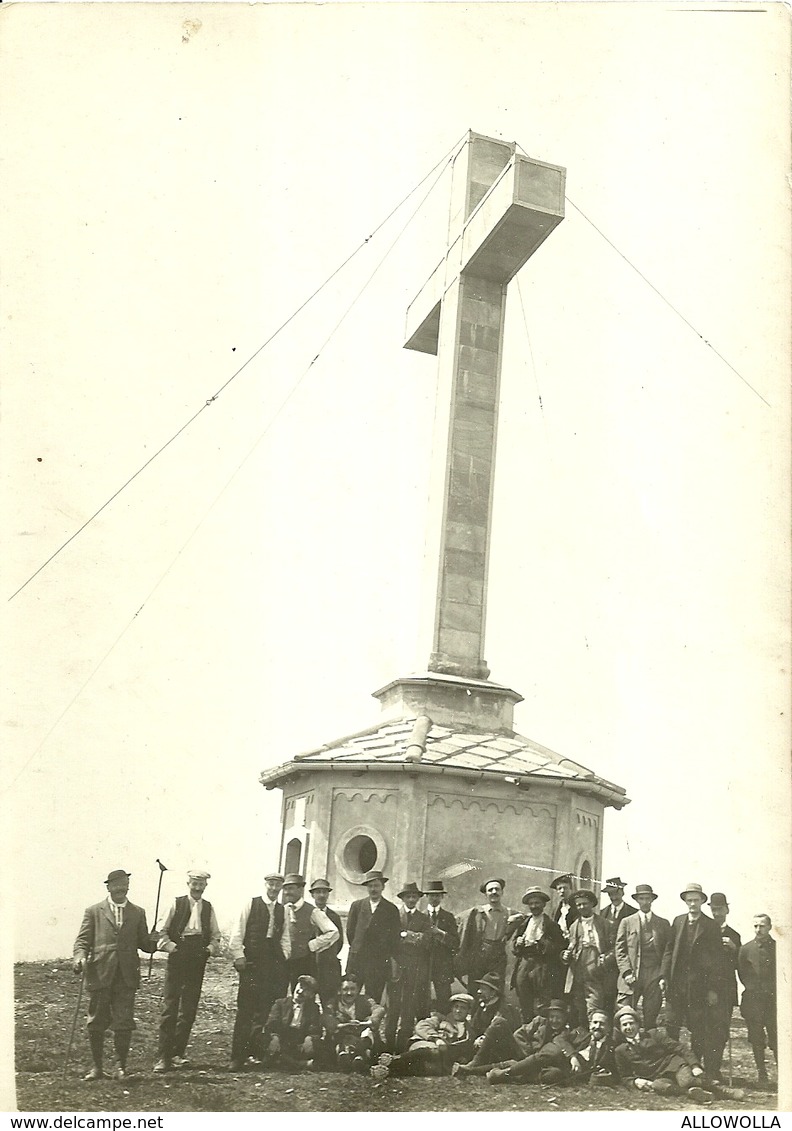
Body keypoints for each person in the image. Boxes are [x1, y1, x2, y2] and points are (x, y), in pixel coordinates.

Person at [72, 868, 157, 1081]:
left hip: (126, 975)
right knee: (97, 1020)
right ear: (108, 887)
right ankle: (97, 1068)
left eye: (125, 888)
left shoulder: (138, 912)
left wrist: (156, 940)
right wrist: (79, 957)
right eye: (117, 888)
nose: (121, 892)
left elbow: (145, 944)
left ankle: (121, 1067)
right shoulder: (93, 911)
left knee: (124, 1021)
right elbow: (82, 941)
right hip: (100, 972)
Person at [154, 868, 222, 1073]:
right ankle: (163, 1056)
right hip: (178, 953)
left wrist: (208, 950)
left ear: (206, 886)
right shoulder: (177, 903)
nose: (198, 887)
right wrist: (171, 947)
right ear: (188, 884)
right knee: (171, 1005)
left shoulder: (208, 908)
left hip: (197, 956)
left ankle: (177, 1053)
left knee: (189, 1006)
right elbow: (161, 929)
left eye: (201, 884)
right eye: (194, 883)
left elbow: (216, 934)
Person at [660, 882, 723, 1078]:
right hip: (677, 984)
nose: (693, 904)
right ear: (685, 902)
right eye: (689, 900)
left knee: (698, 1027)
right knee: (672, 1025)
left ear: (702, 901)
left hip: (699, 986)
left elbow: (717, 959)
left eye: (696, 900)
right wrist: (664, 976)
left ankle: (696, 1066)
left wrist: (713, 989)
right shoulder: (678, 921)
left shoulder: (710, 926)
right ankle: (673, 1066)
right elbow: (669, 950)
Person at [228, 871, 286, 1071]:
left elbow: (285, 937)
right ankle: (238, 1057)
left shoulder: (282, 910)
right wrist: (239, 956)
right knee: (246, 1010)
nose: (274, 889)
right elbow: (238, 932)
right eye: (271, 884)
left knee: (264, 1011)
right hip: (252, 964)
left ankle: (256, 1053)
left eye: (278, 885)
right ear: (265, 885)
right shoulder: (251, 904)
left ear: (281, 888)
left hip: (272, 966)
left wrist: (283, 957)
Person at [486, 1004, 615, 1086]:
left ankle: (510, 1072)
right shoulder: (580, 1033)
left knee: (554, 1075)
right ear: (590, 1024)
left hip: (565, 1070)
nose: (597, 1027)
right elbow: (559, 1039)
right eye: (595, 1023)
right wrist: (573, 1056)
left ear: (609, 1028)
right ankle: (505, 1073)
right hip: (556, 1055)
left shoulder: (610, 1047)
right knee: (554, 1051)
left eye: (602, 1024)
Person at [613, 1005, 713, 1103]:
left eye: (631, 1023)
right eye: (624, 1025)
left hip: (675, 1066)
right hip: (658, 1077)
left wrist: (695, 1066)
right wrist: (635, 1082)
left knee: (686, 1081)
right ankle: (692, 1093)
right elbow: (625, 1077)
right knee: (658, 1086)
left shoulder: (653, 1034)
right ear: (619, 1028)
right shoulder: (620, 1050)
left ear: (638, 1024)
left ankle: (717, 1088)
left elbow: (680, 1047)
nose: (629, 1027)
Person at [371, 993, 475, 1079]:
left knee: (430, 1068)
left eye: (463, 1008)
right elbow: (421, 1026)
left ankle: (388, 1071)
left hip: (441, 1058)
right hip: (423, 1046)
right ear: (451, 1008)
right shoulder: (441, 1018)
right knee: (434, 1051)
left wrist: (463, 1057)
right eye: (456, 1007)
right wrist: (436, 1039)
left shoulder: (469, 1031)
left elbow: (467, 1048)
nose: (458, 1011)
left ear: (468, 1011)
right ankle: (395, 1059)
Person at [614, 883, 670, 1030]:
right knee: (626, 1015)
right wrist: (626, 972)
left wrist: (663, 975)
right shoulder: (627, 922)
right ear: (637, 900)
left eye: (648, 898)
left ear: (652, 900)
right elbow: (620, 950)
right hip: (632, 974)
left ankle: (648, 1049)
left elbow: (667, 952)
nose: (645, 902)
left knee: (651, 1016)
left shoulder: (663, 923)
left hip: (653, 974)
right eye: (642, 898)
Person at [480, 998, 575, 1084]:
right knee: (499, 1023)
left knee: (554, 1074)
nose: (554, 1020)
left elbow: (561, 1045)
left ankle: (512, 1073)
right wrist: (526, 1052)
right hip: (525, 1056)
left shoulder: (566, 1032)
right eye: (552, 1016)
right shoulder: (539, 1022)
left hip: (541, 1065)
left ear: (565, 1018)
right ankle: (477, 1068)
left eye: (558, 1018)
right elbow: (519, 1034)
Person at [385, 882, 430, 1050]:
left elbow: (427, 940)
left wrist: (406, 934)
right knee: (393, 1005)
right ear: (403, 898)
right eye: (408, 896)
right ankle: (389, 1042)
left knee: (409, 1005)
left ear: (418, 899)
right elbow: (390, 938)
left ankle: (403, 1042)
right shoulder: (394, 915)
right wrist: (411, 937)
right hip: (396, 965)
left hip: (414, 967)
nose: (411, 900)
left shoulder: (424, 918)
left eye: (414, 897)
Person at [509, 887, 565, 1023]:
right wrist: (518, 942)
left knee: (543, 1002)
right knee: (524, 999)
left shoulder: (551, 925)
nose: (534, 906)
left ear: (543, 904)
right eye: (531, 903)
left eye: (537, 903)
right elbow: (513, 945)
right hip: (524, 963)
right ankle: (526, 1031)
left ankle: (541, 1032)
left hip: (542, 966)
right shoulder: (523, 924)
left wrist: (541, 944)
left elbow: (559, 946)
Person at [345, 869, 401, 1003]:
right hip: (357, 960)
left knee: (373, 998)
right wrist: (357, 949)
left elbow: (394, 937)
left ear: (383, 887)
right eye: (370, 886)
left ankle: (370, 1023)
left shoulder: (391, 909)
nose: (373, 889)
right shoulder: (357, 906)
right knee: (350, 994)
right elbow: (350, 932)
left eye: (376, 886)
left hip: (378, 962)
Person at [451, 972, 521, 1077]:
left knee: (498, 1022)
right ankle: (468, 1067)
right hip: (486, 1051)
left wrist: (484, 1037)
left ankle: (473, 1065)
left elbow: (507, 1033)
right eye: (480, 988)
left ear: (493, 992)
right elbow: (473, 1028)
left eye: (484, 989)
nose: (479, 991)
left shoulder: (504, 1009)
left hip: (504, 1050)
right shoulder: (482, 1006)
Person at [562, 889, 616, 1023]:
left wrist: (605, 959)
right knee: (579, 1007)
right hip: (578, 970)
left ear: (592, 904)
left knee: (595, 1005)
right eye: (578, 905)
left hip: (597, 971)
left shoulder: (605, 924)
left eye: (585, 904)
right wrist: (565, 955)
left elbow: (616, 948)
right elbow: (570, 948)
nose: (581, 907)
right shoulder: (574, 926)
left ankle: (597, 1037)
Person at [279, 873, 339, 992]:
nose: (287, 892)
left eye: (291, 888)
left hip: (303, 962)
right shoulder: (283, 909)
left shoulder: (312, 911)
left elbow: (333, 932)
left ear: (301, 890)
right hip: (283, 962)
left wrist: (312, 945)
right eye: (285, 889)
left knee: (303, 996)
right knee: (281, 996)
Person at [738, 914, 777, 1085]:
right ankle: (762, 1075)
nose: (758, 930)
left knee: (776, 1037)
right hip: (753, 1001)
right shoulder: (745, 949)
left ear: (769, 927)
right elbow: (742, 973)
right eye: (755, 926)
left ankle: (783, 1074)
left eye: (762, 926)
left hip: (773, 1001)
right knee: (756, 1038)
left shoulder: (778, 948)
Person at [706, 892, 741, 1082]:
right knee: (703, 1029)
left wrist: (735, 949)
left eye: (719, 909)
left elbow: (739, 965)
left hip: (725, 991)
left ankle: (714, 1069)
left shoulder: (734, 935)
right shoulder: (704, 930)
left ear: (727, 910)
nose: (716, 913)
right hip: (705, 989)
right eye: (713, 909)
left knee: (720, 1031)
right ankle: (701, 1069)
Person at [456, 878, 515, 987]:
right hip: (479, 955)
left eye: (497, 889)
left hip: (498, 957)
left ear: (502, 892)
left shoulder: (510, 912)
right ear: (485, 895)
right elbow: (457, 920)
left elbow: (527, 918)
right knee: (475, 987)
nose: (494, 892)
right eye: (490, 890)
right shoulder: (477, 912)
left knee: (496, 989)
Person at [324, 972, 385, 1071]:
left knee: (368, 1035)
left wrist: (369, 1021)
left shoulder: (364, 1000)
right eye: (345, 989)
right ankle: (354, 1057)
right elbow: (326, 1016)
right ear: (340, 990)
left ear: (358, 990)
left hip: (361, 1037)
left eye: (352, 989)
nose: (349, 993)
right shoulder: (334, 1002)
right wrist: (342, 1025)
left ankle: (356, 1058)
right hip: (343, 1036)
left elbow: (378, 1009)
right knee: (340, 1040)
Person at [263, 974, 323, 1070]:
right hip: (282, 1039)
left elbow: (315, 1028)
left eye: (306, 990)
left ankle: (282, 1061)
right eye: (300, 986)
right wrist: (275, 1037)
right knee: (265, 1041)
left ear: (312, 995)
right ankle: (300, 1064)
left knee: (318, 1045)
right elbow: (271, 1024)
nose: (300, 991)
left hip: (299, 1042)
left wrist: (309, 1038)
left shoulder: (313, 1008)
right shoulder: (280, 1003)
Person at [422, 880, 459, 1014]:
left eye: (437, 895)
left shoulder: (448, 917)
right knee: (422, 997)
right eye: (431, 895)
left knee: (444, 998)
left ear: (442, 897)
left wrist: (441, 934)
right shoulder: (420, 916)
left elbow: (455, 942)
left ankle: (446, 1025)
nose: (434, 898)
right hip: (423, 963)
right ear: (426, 897)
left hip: (442, 964)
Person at [308, 878, 344, 1010]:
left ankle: (330, 1030)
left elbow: (339, 942)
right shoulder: (307, 913)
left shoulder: (334, 916)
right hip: (310, 965)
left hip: (328, 966)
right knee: (308, 1002)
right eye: (318, 892)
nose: (322, 895)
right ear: (312, 895)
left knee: (329, 1003)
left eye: (324, 892)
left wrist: (326, 954)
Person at [550, 873, 578, 939]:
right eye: (559, 889)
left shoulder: (577, 908)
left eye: (565, 888)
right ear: (557, 891)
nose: (562, 891)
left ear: (571, 889)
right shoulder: (556, 910)